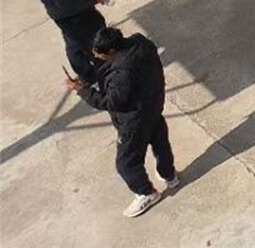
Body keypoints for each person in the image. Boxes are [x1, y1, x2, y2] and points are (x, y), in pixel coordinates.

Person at [68, 26, 178, 217]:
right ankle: (169, 175)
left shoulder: (121, 74)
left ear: (112, 51)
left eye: (99, 54)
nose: (97, 56)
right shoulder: (142, 43)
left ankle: (146, 193)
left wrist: (82, 90)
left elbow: (111, 102)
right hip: (153, 106)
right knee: (160, 144)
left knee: (126, 163)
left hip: (133, 121)